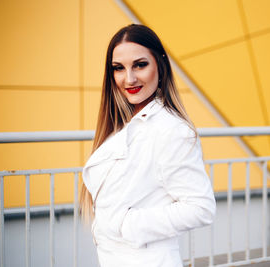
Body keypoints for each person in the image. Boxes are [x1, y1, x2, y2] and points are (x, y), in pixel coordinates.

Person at [80, 24, 216, 267]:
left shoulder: (172, 130)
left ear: (160, 65)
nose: (129, 78)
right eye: (118, 68)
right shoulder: (122, 127)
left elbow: (201, 207)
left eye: (140, 65)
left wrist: (128, 225)